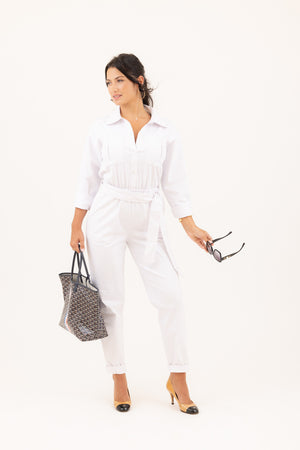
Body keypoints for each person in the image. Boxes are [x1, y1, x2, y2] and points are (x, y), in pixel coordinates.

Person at [70, 53, 213, 413]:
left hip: (147, 215)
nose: (112, 89)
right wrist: (76, 224)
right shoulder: (101, 130)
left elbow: (174, 184)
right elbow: (87, 179)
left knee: (171, 296)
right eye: (107, 83)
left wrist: (190, 226)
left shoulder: (164, 132)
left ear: (139, 81)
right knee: (111, 303)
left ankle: (177, 377)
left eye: (119, 80)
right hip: (106, 216)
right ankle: (119, 377)